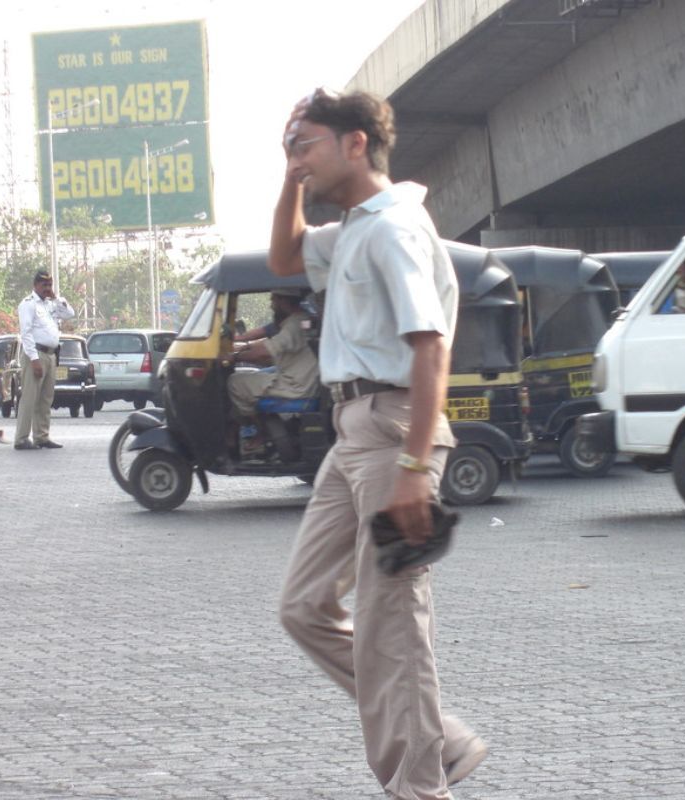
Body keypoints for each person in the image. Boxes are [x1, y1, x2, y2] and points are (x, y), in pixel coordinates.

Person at [267, 88, 486, 800]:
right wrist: (288, 174)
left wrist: (416, 468)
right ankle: (438, 739)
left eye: (307, 145)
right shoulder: (355, 227)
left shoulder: (393, 227)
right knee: (304, 607)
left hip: (394, 428)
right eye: (290, 148)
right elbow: (283, 257)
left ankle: (421, 785)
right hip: (351, 429)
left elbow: (431, 349)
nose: (298, 159)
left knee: (394, 623)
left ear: (355, 142)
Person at [227, 288, 319, 451]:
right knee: (250, 377)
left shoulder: (294, 325)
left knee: (235, 383)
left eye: (273, 301)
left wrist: (233, 357)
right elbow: (269, 351)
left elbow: (264, 351)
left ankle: (261, 433)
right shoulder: (300, 320)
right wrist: (241, 350)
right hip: (300, 379)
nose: (271, 306)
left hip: (295, 386)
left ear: (284, 301)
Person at [13, 270, 74, 450]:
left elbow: (70, 313)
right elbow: (26, 333)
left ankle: (41, 436)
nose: (47, 288)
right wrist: (33, 359)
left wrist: (56, 297)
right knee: (30, 398)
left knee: (46, 399)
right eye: (44, 285)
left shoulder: (50, 304)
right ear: (35, 285)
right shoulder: (28, 304)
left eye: (49, 285)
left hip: (51, 354)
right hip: (36, 354)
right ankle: (22, 438)